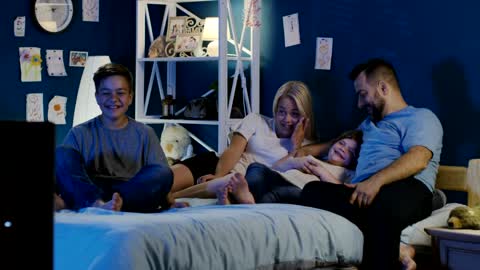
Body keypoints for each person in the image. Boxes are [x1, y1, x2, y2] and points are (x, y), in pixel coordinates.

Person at [297, 58, 443, 270]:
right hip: (363, 191)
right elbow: (325, 147)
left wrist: (375, 182)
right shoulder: (366, 126)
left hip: (408, 188)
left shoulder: (421, 117)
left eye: (362, 94)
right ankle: (400, 251)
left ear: (383, 88)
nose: (359, 104)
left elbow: (419, 158)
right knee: (312, 191)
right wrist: (296, 146)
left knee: (381, 209)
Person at [55, 63, 173, 213]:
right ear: (97, 97)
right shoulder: (79, 133)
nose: (114, 99)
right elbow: (66, 175)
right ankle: (97, 204)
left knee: (164, 172)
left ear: (130, 98)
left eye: (120, 93)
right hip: (91, 190)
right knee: (62, 153)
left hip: (131, 191)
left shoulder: (145, 133)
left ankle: (117, 203)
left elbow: (159, 175)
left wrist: (170, 202)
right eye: (106, 93)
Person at [170, 80, 316, 201]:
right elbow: (233, 150)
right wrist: (218, 175)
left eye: (295, 114)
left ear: (305, 115)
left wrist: (295, 145)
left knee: (168, 197)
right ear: (275, 110)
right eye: (281, 112)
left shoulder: (304, 148)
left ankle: (171, 198)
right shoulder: (256, 120)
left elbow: (280, 170)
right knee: (160, 182)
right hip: (217, 165)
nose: (287, 119)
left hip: (237, 182)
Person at [216, 129, 362, 205]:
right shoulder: (316, 158)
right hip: (282, 177)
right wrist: (294, 162)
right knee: (256, 168)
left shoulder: (348, 172)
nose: (343, 149)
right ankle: (244, 200)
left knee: (277, 194)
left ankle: (246, 204)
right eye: (342, 143)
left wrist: (322, 172)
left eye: (350, 151)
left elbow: (341, 192)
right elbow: (276, 167)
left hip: (302, 190)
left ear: (353, 161)